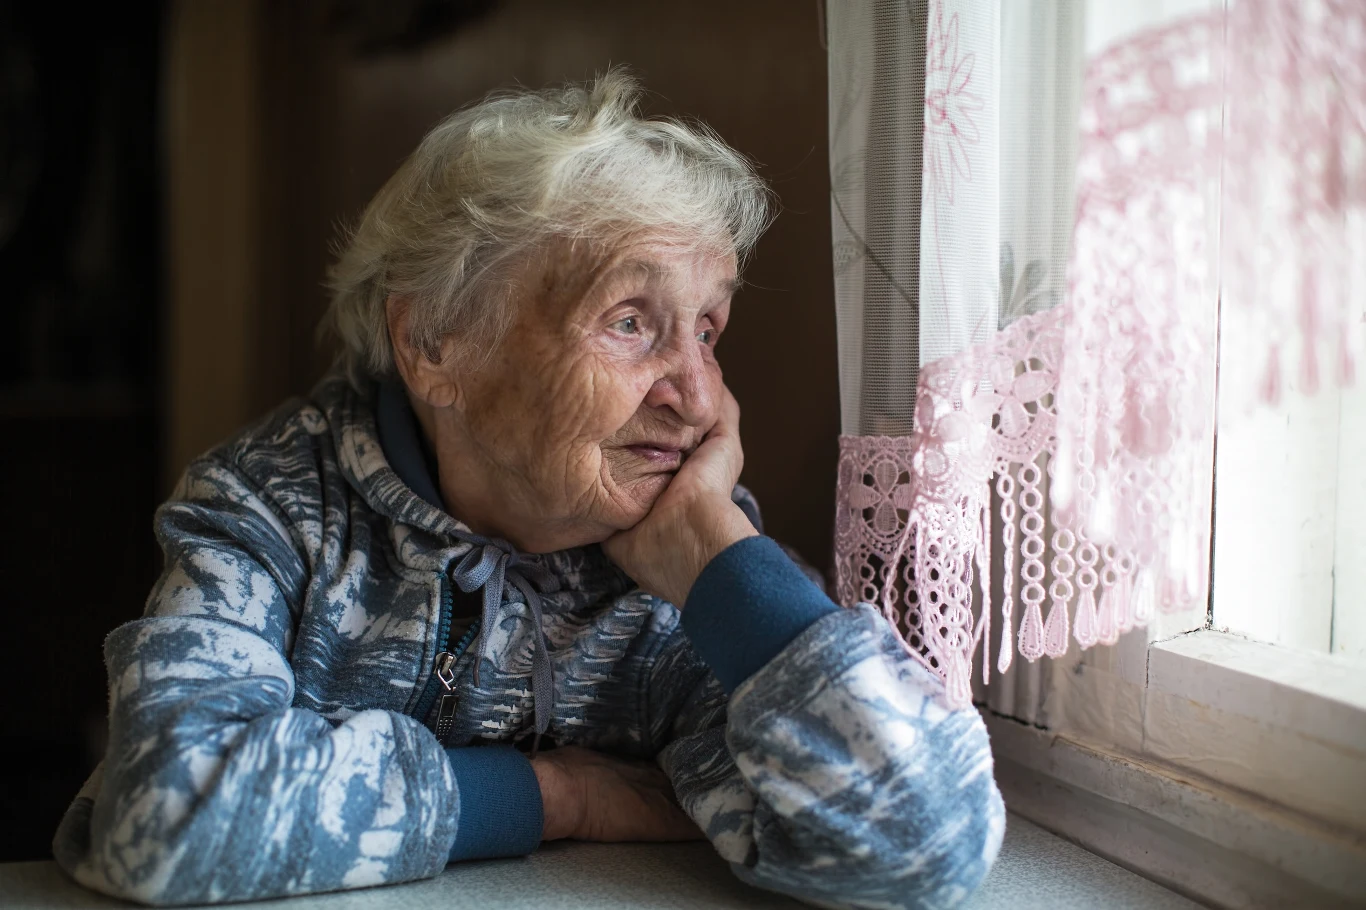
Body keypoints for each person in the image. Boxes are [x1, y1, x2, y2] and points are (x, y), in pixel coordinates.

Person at [53, 71, 1004, 908]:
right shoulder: (272, 510)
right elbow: (165, 811)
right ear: (435, 343)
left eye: (707, 330)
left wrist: (729, 571)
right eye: (631, 322)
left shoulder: (684, 562)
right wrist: (555, 797)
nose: (700, 401)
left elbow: (930, 847)